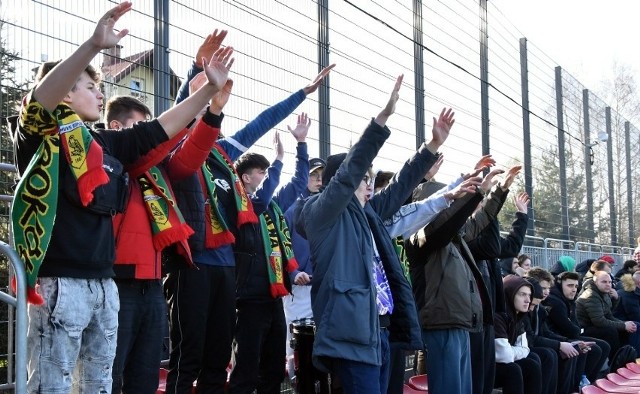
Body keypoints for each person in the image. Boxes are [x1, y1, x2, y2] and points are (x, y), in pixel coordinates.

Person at [10, 3, 234, 392]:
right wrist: (94, 45)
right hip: (60, 284)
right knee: (51, 386)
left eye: (99, 86)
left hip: (103, 283)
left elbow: (158, 131)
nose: (100, 93)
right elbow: (39, 101)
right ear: (65, 94)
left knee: (100, 386)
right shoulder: (39, 137)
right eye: (89, 86)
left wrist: (208, 93)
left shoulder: (106, 145)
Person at [164, 56, 334, 392]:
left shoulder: (223, 154)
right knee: (189, 356)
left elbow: (262, 121)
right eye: (197, 111)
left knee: (217, 357)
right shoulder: (177, 153)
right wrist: (195, 74)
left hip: (227, 269)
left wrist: (303, 93)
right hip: (192, 265)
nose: (208, 119)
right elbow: (176, 116)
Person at [297, 75, 450, 393]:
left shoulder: (366, 214)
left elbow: (398, 189)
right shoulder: (321, 213)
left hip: (378, 330)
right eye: (364, 177)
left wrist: (431, 147)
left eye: (370, 178)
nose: (369, 183)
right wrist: (383, 117)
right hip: (349, 335)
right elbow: (351, 168)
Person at [106, 88, 230, 393]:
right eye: (142, 127)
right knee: (108, 375)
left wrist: (212, 115)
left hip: (153, 284)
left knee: (145, 377)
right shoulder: (109, 157)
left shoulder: (159, 170)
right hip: (117, 283)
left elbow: (190, 155)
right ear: (117, 129)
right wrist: (197, 101)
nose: (151, 135)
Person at [405, 163, 510, 394]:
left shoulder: (454, 237)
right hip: (442, 322)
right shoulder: (421, 235)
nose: (451, 202)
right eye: (446, 199)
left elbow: (477, 221)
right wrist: (479, 192)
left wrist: (498, 192)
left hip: (460, 322)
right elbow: (448, 222)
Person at [228, 119, 310, 393]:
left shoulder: (273, 206)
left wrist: (301, 145)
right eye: (261, 172)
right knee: (246, 370)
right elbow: (260, 200)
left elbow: (299, 183)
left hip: (274, 297)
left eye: (267, 171)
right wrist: (278, 160)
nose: (267, 176)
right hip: (249, 300)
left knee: (273, 369)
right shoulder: (237, 203)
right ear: (245, 177)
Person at [282, 155, 326, 382]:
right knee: (295, 351)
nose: (319, 181)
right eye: (314, 176)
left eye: (321, 176)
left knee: (317, 351)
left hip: (320, 287)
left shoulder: (325, 207)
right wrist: (291, 273)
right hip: (297, 290)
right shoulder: (291, 208)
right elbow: (282, 246)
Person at [524, 268, 586, 394]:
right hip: (524, 347)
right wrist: (560, 344)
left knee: (574, 348)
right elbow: (530, 338)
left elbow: (545, 332)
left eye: (548, 288)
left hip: (536, 343)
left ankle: (571, 389)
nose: (546, 292)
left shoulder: (539, 308)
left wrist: (568, 342)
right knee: (549, 354)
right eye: (542, 288)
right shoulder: (528, 305)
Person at [543, 271, 610, 383]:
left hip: (566, 335)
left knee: (604, 345)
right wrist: (576, 329)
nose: (574, 289)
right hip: (558, 337)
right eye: (569, 285)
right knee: (594, 349)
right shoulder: (554, 301)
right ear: (560, 285)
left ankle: (587, 380)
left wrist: (576, 329)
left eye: (576, 286)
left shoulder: (569, 299)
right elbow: (571, 329)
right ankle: (578, 382)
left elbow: (575, 325)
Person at [494, 275, 542, 394]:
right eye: (522, 294)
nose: (528, 300)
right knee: (513, 369)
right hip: (485, 367)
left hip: (503, 361)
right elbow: (504, 356)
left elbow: (525, 348)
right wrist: (513, 351)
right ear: (510, 294)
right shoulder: (497, 316)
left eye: (529, 295)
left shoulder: (518, 317)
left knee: (532, 363)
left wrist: (511, 351)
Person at [576, 270, 637, 359]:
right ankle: (615, 361)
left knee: (630, 327)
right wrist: (623, 325)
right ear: (595, 282)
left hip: (593, 325)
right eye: (604, 282)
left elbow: (609, 315)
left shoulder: (604, 293)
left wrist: (625, 324)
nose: (608, 284)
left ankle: (627, 357)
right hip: (583, 328)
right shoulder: (591, 295)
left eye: (610, 282)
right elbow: (599, 321)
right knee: (611, 331)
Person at [613, 272, 640, 353]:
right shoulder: (629, 294)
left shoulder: (634, 292)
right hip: (620, 323)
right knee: (636, 326)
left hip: (622, 321)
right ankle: (635, 358)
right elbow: (635, 315)